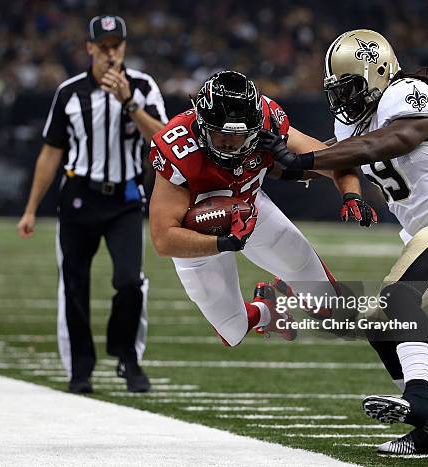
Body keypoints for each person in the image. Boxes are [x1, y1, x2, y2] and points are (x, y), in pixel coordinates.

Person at [259, 29, 428, 455]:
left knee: (399, 299)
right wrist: (267, 162)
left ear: (378, 72)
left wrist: (303, 158)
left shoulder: (406, 93)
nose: (343, 99)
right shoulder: (352, 120)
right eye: (337, 90)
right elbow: (331, 158)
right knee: (378, 324)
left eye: (351, 86)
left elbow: (391, 141)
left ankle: (421, 403)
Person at [148, 70, 376, 348]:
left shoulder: (268, 120)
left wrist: (351, 195)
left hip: (250, 209)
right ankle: (267, 310)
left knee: (334, 311)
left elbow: (336, 160)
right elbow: (163, 239)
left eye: (241, 135)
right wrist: (224, 242)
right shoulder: (178, 146)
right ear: (203, 125)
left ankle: (290, 284)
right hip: (197, 231)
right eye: (221, 136)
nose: (231, 144)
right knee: (232, 330)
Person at [17, 15, 167, 394]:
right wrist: (31, 207)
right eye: (103, 46)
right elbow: (50, 153)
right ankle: (80, 369)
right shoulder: (69, 92)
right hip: (79, 198)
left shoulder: (143, 87)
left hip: (126, 198)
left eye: (116, 45)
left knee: (130, 280)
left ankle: (128, 358)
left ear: (125, 47)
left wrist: (129, 102)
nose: (110, 52)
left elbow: (164, 140)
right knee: (74, 283)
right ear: (89, 48)